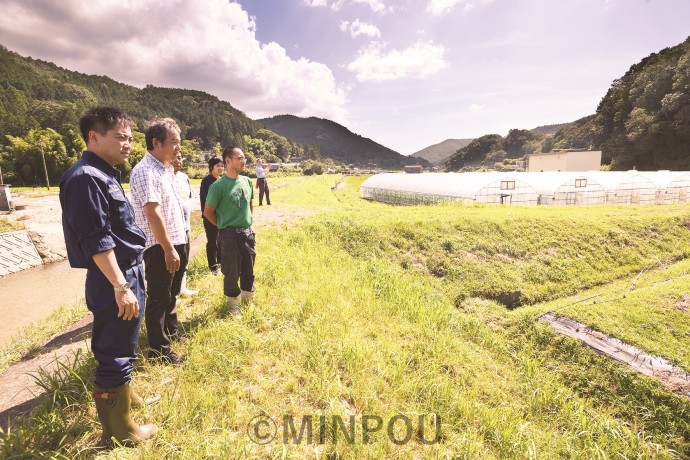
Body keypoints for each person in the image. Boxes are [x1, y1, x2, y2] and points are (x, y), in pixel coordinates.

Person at [59, 107, 157, 446]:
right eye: (120, 137)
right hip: (113, 277)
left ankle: (126, 402)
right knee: (114, 351)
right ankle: (120, 432)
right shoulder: (87, 176)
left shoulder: (105, 173)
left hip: (125, 271)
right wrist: (120, 285)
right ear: (94, 137)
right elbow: (96, 238)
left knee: (124, 343)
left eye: (130, 138)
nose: (128, 144)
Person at [130, 118, 188, 365]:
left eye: (179, 142)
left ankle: (171, 331)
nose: (178, 147)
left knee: (171, 293)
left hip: (176, 239)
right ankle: (159, 350)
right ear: (156, 142)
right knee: (158, 297)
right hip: (160, 246)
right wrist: (168, 249)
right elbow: (152, 212)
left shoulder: (164, 168)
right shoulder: (145, 171)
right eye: (173, 142)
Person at [203, 146, 255, 318]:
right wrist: (223, 226)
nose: (243, 161)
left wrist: (248, 224)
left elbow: (250, 205)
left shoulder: (247, 181)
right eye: (239, 157)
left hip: (247, 234)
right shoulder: (218, 186)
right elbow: (208, 212)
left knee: (249, 269)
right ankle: (233, 306)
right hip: (228, 235)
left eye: (244, 158)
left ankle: (248, 300)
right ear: (228, 161)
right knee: (231, 272)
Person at [173, 151, 198, 297]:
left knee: (184, 259)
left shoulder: (184, 177)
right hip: (173, 228)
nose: (178, 160)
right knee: (173, 262)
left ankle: (182, 288)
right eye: (175, 157)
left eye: (180, 157)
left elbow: (189, 197)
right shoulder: (165, 177)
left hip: (186, 225)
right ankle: (173, 295)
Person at [200, 157, 224, 274]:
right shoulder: (207, 181)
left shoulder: (222, 180)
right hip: (210, 216)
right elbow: (207, 200)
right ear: (211, 168)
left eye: (222, 166)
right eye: (218, 166)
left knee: (221, 239)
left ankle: (221, 262)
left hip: (221, 216)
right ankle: (213, 266)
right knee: (212, 241)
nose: (221, 168)